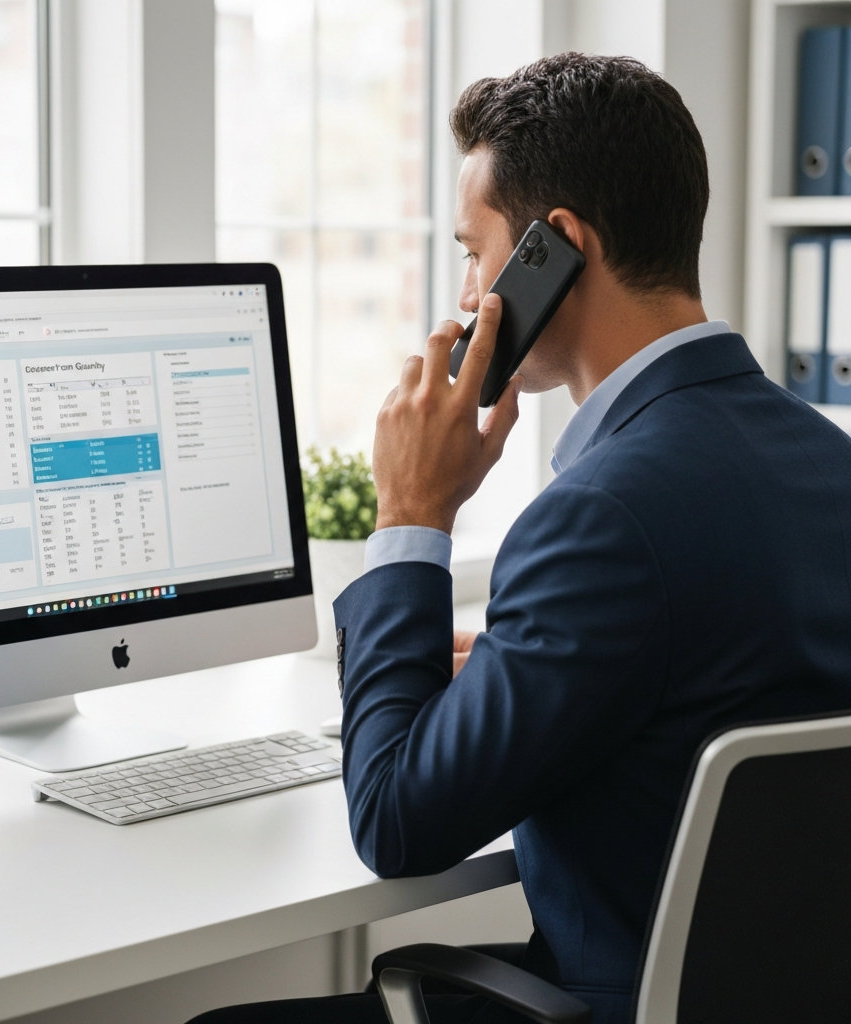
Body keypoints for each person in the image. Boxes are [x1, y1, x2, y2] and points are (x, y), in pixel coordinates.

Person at [190, 52, 851, 1024]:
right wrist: (510, 669)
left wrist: (412, 513)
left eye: (474, 251)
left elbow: (393, 820)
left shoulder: (598, 518)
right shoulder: (824, 459)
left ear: (556, 249)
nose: (465, 297)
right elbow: (689, 679)